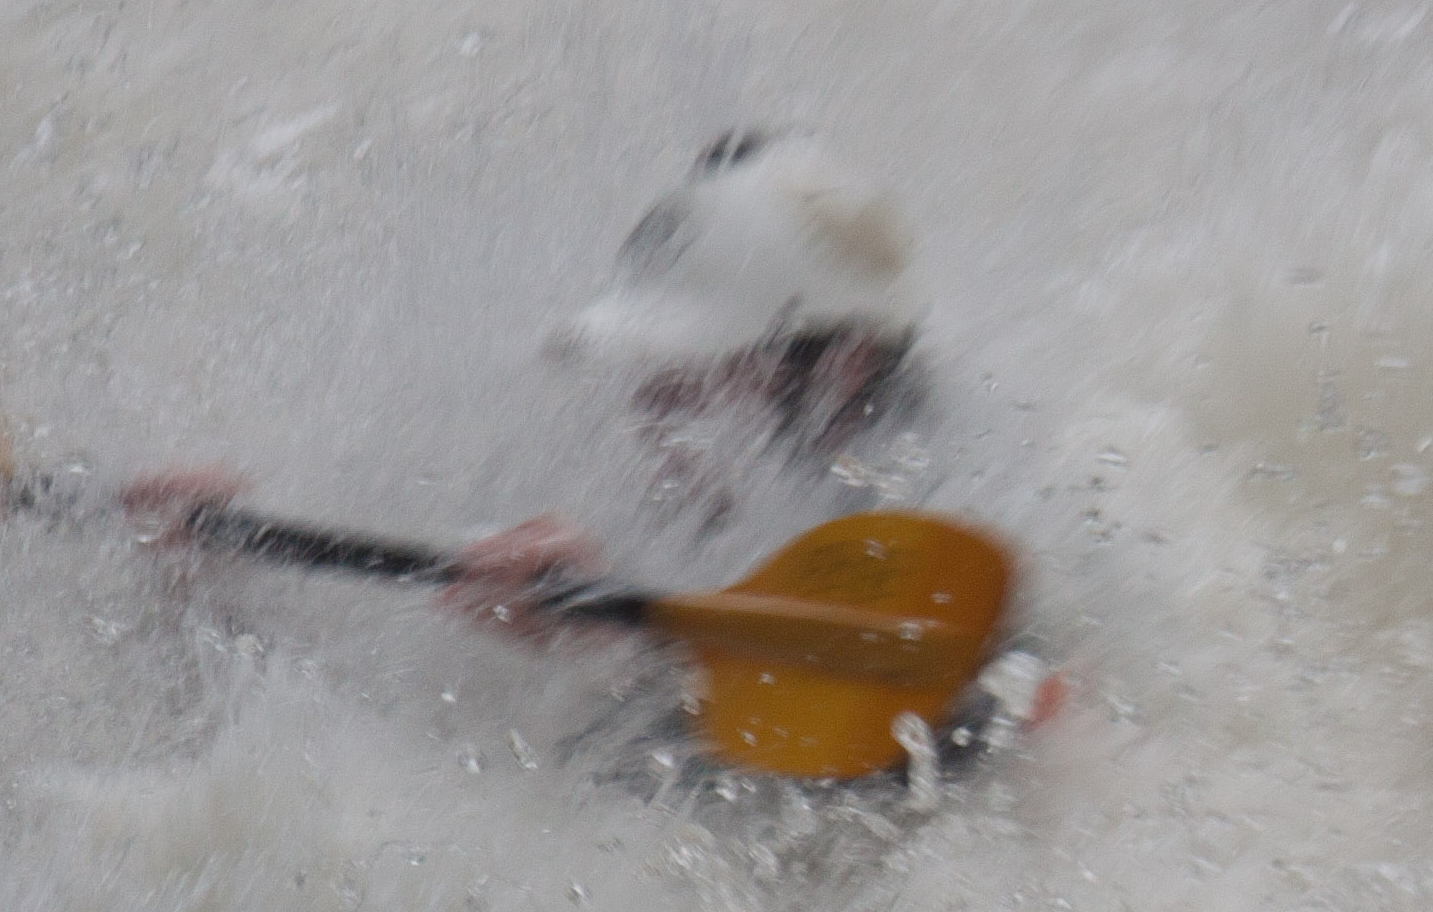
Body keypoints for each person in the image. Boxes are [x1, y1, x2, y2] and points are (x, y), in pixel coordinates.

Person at [125, 130, 1054, 783]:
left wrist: (636, 661)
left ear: (839, 368)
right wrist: (210, 597)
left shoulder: (968, 524)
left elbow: (908, 807)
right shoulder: (660, 490)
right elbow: (338, 755)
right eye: (648, 374)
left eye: (691, 376)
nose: (649, 410)